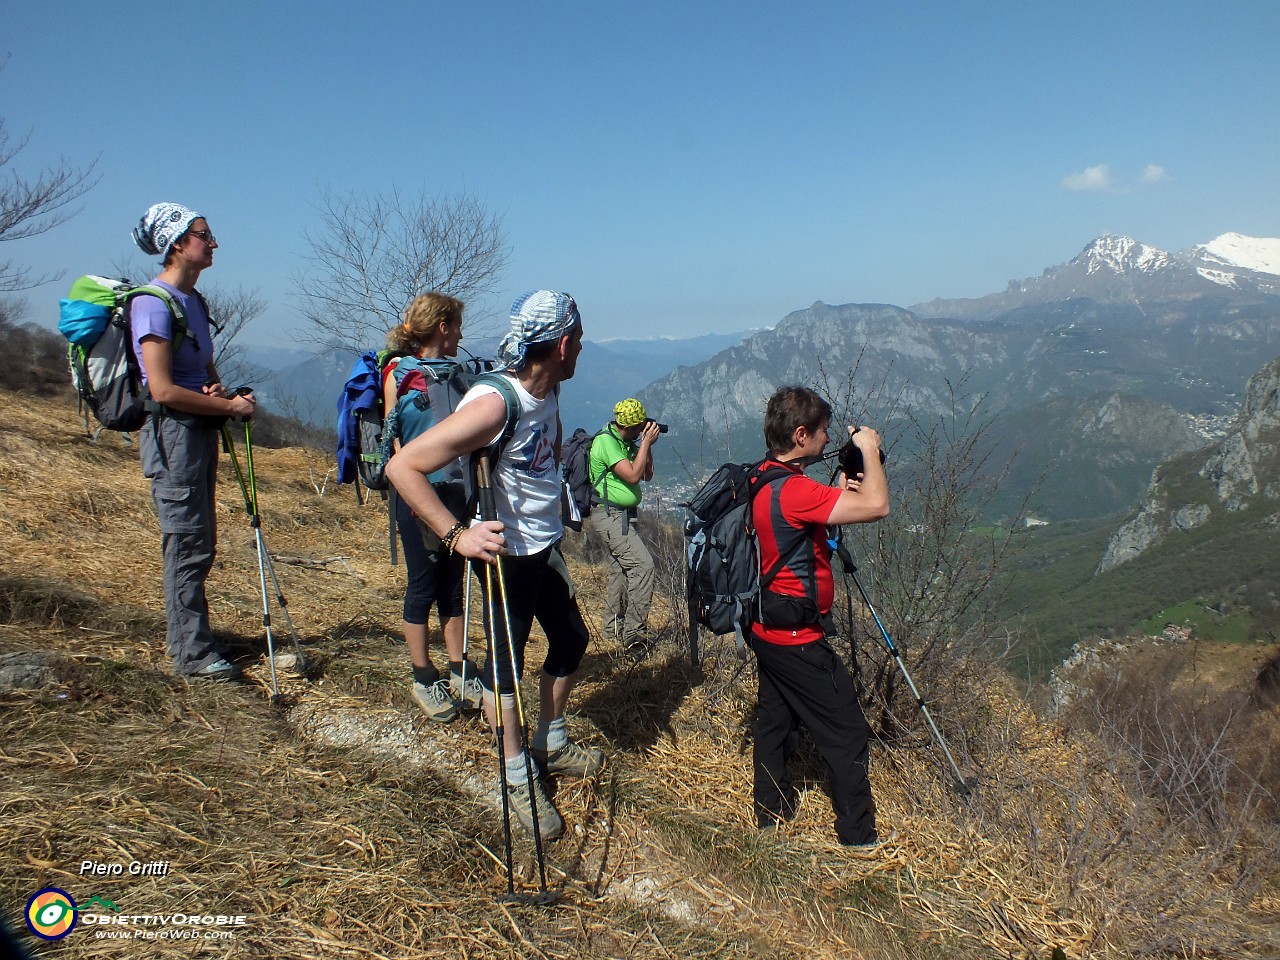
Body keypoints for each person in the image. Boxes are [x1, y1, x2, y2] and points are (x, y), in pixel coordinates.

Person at [385, 290, 601, 841]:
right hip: (507, 559)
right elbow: (404, 467)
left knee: (572, 639)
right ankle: (515, 776)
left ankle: (549, 744)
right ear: (564, 343)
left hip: (541, 547)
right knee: (505, 670)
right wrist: (456, 534)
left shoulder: (545, 388)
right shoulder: (497, 403)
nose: (582, 347)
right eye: (579, 337)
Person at [748, 385, 888, 848]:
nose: (829, 439)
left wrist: (836, 493)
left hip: (765, 623)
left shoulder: (765, 476)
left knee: (775, 717)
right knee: (846, 731)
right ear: (801, 434)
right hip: (797, 635)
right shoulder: (796, 491)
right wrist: (869, 451)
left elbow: (803, 518)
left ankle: (770, 812)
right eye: (824, 431)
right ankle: (858, 836)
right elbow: (877, 506)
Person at [131, 203, 256, 680]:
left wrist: (222, 394)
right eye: (204, 235)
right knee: (185, 540)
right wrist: (228, 408)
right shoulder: (152, 303)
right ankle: (191, 654)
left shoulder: (194, 302)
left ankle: (194, 637)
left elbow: (203, 374)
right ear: (177, 243)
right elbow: (161, 388)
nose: (213, 242)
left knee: (200, 540)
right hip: (172, 435)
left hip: (197, 431)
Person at [382, 293, 484, 722]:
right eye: (457, 325)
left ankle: (459, 668)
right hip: (419, 497)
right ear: (442, 327)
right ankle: (423, 675)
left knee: (452, 585)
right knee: (423, 585)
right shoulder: (399, 374)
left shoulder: (458, 373)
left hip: (457, 494)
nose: (461, 333)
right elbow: (395, 442)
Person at [585, 398, 660, 657]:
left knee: (620, 569)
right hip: (609, 514)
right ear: (631, 426)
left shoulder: (626, 442)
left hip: (624, 515)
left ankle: (611, 630)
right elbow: (632, 475)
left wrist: (645, 447)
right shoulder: (606, 442)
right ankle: (634, 636)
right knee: (642, 566)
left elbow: (647, 474)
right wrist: (646, 442)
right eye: (640, 428)